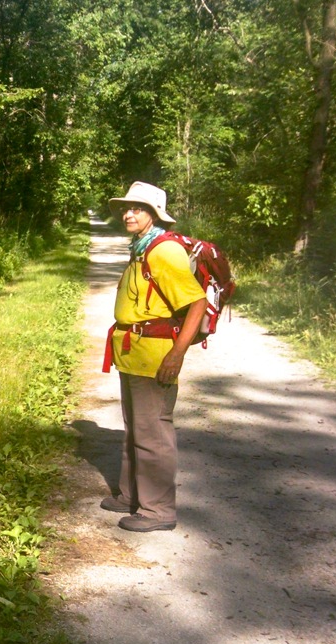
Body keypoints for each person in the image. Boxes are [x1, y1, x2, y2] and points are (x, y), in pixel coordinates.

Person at [102, 182, 207, 532]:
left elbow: (196, 303)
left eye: (138, 208)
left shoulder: (164, 251)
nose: (128, 214)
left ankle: (158, 510)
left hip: (155, 358)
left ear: (154, 214)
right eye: (126, 208)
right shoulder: (142, 247)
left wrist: (177, 354)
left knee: (153, 434)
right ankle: (131, 495)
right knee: (136, 428)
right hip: (134, 354)